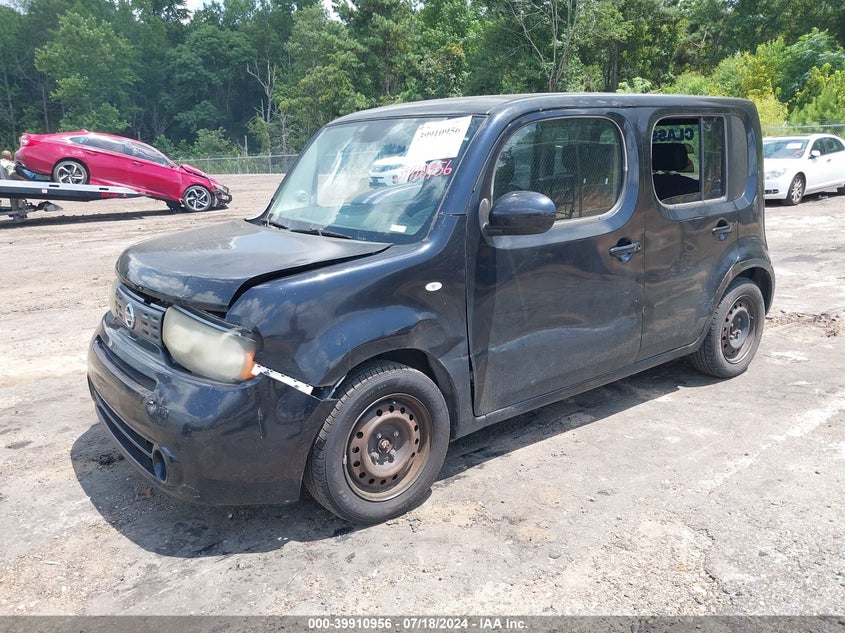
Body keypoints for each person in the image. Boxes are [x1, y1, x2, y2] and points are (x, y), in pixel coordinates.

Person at [1, 149, 26, 215]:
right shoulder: (8, 164)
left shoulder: (1, 163)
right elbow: (12, 174)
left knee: (13, 199)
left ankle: (16, 216)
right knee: (19, 197)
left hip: (4, 184)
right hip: (11, 184)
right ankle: (21, 213)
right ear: (9, 156)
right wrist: (23, 179)